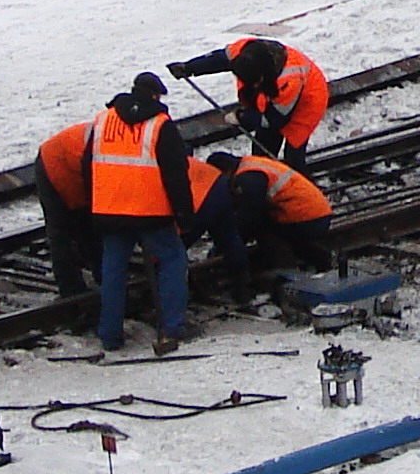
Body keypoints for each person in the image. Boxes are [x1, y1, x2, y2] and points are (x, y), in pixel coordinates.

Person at [88, 73, 200, 358]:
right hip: (151, 212)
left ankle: (110, 336)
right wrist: (184, 214)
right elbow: (176, 174)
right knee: (173, 261)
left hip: (109, 210)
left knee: (113, 271)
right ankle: (172, 328)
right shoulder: (160, 125)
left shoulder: (102, 121)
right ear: (155, 96)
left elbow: (85, 166)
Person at [166, 35, 330, 166]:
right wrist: (189, 68)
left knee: (294, 151)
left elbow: (275, 121)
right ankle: (265, 174)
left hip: (308, 100)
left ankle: (297, 181)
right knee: (262, 150)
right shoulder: (243, 52)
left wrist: (241, 117)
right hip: (273, 93)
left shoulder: (288, 80)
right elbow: (218, 60)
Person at [197, 148, 336, 295]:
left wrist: (230, 244)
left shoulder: (248, 178)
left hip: (306, 217)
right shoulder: (250, 164)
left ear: (225, 172)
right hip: (315, 212)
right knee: (268, 226)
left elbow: (250, 217)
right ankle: (319, 260)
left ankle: (284, 271)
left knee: (263, 231)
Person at [32, 116, 98, 298]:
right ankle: (70, 289)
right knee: (61, 232)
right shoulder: (101, 142)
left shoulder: (109, 135)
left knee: (89, 225)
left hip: (73, 167)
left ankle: (101, 274)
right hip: (53, 164)